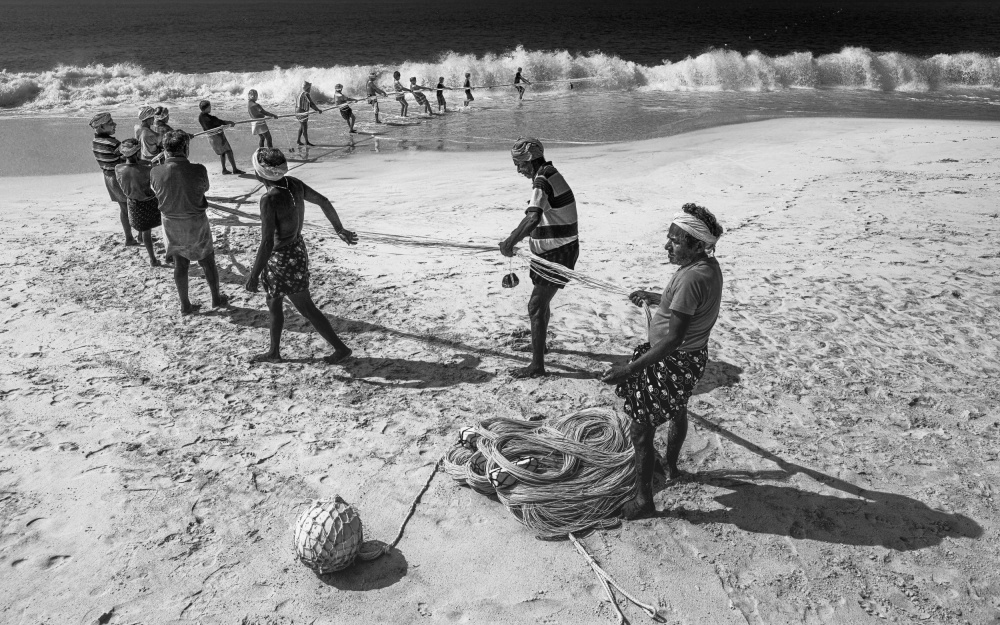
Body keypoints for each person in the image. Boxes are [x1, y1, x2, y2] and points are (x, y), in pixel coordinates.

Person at [600, 204, 724, 520]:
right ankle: (672, 466)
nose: (667, 246)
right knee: (677, 408)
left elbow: (673, 339)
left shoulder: (690, 279)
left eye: (676, 241)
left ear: (697, 244)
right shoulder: (708, 268)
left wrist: (628, 369)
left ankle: (644, 502)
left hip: (671, 362)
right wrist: (656, 298)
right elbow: (685, 307)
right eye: (668, 238)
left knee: (641, 432)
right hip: (691, 360)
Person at [245, 148, 358, 364]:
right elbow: (323, 201)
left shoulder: (268, 199)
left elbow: (268, 241)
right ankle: (274, 352)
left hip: (281, 259)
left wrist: (253, 275)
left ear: (259, 174)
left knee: (305, 307)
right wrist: (339, 229)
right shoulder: (293, 183)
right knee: (273, 300)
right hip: (297, 249)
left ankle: (341, 349)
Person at [498, 137, 579, 379]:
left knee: (535, 305)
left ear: (530, 160)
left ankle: (537, 366)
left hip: (558, 253)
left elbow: (532, 218)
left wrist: (510, 242)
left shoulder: (542, 180)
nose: (518, 170)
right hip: (554, 251)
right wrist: (514, 240)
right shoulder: (547, 173)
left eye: (520, 164)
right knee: (540, 304)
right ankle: (540, 347)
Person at [150, 131, 229, 314]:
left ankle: (185, 305)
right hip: (196, 221)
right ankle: (216, 298)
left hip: (171, 222)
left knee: (180, 263)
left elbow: (157, 190)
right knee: (207, 260)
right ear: (185, 149)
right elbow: (205, 188)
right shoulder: (198, 169)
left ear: (165, 151)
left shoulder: (155, 171)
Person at [90, 112, 139, 246]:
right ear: (100, 127)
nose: (114, 125)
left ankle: (129, 237)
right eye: (110, 123)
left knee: (123, 208)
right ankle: (140, 234)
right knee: (135, 205)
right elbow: (128, 157)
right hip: (119, 178)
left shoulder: (95, 142)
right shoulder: (113, 143)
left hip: (108, 177)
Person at [115, 138, 165, 266]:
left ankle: (141, 238)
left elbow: (135, 165)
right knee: (150, 231)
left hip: (132, 203)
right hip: (147, 202)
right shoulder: (147, 169)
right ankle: (153, 259)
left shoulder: (118, 168)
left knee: (143, 228)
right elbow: (151, 174)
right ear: (138, 153)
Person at [197, 100, 243, 175]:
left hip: (210, 137)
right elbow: (219, 122)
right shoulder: (210, 118)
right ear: (206, 108)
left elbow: (217, 123)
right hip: (217, 136)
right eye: (209, 107)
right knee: (229, 151)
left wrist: (224, 124)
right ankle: (234, 169)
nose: (210, 108)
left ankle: (224, 169)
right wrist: (229, 122)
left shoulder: (200, 117)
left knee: (222, 152)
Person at [295, 81, 322, 146]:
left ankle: (298, 140)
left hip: (297, 111)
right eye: (310, 87)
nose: (310, 89)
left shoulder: (300, 93)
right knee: (304, 127)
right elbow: (311, 104)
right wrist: (318, 110)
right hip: (302, 111)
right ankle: (306, 142)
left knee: (302, 126)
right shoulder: (306, 94)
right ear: (308, 88)